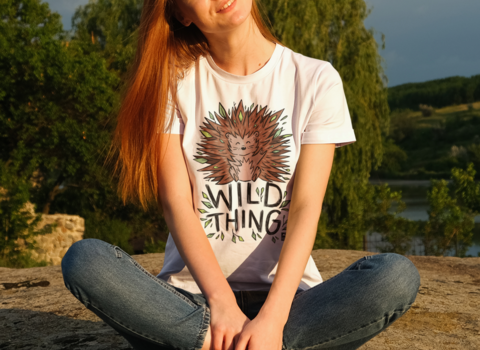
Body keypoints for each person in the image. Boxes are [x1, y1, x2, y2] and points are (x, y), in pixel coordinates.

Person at [61, 0, 421, 349]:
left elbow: (306, 206)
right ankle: (229, 342)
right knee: (86, 259)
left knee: (394, 275)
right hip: (191, 301)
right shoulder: (171, 81)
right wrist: (220, 305)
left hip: (289, 304)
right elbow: (175, 202)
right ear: (181, 14)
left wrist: (273, 320)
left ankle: (229, 344)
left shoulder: (315, 79)